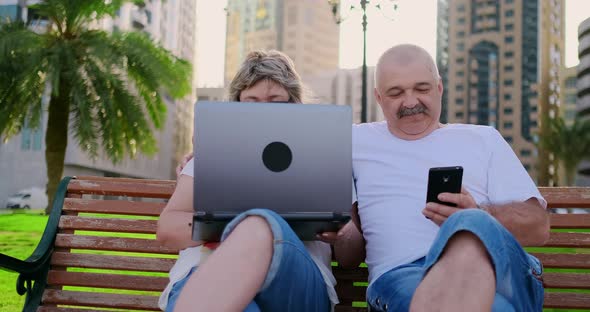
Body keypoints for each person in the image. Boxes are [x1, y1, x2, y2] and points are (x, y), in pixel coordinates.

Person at [156, 50, 364, 312]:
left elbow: (352, 257)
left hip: (295, 283)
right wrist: (238, 226)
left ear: (294, 105)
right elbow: (167, 230)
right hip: (205, 270)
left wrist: (343, 233)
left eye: (275, 101)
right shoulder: (213, 154)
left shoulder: (325, 155)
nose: (263, 111)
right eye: (252, 101)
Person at [353, 44, 549, 311]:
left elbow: (538, 226)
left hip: (498, 269)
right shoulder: (354, 141)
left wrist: (480, 214)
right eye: (396, 93)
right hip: (404, 274)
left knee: (469, 224)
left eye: (422, 89)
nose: (410, 102)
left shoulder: (483, 139)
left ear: (439, 88)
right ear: (378, 98)